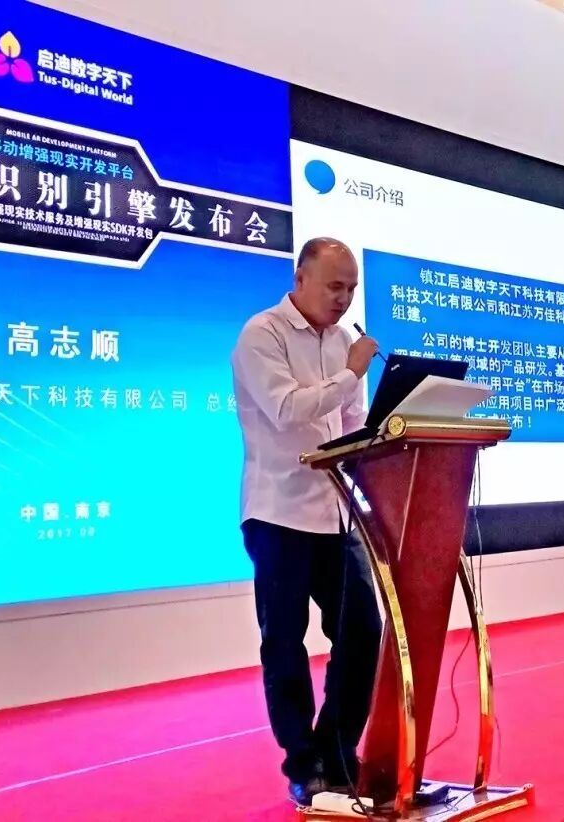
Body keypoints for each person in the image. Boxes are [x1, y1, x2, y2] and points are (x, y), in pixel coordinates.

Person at [231, 237, 384, 806]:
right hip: (278, 512)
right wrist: (350, 373)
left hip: (334, 510)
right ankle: (302, 762)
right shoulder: (262, 334)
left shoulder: (343, 343)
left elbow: (351, 423)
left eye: (351, 289)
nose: (344, 299)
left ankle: (337, 752)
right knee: (285, 642)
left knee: (363, 629)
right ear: (300, 279)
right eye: (334, 286)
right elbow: (287, 409)